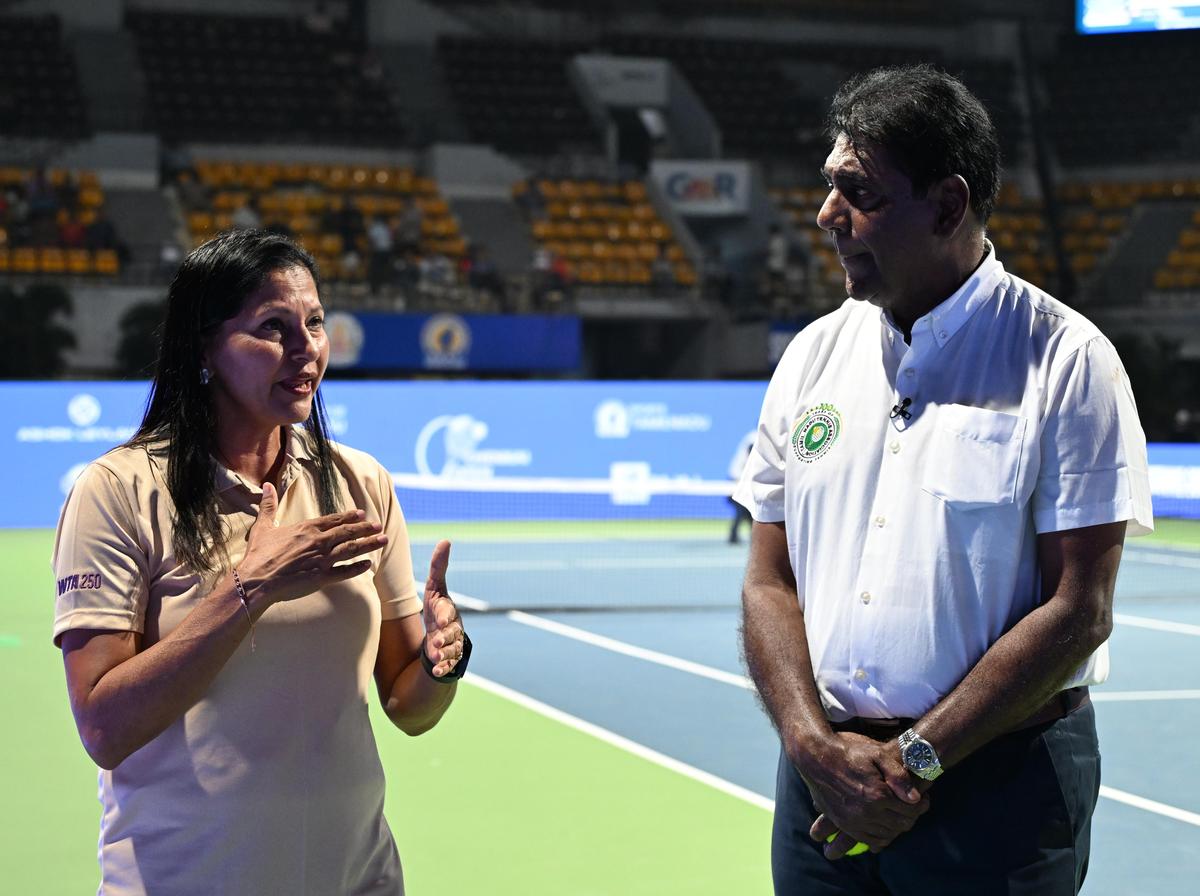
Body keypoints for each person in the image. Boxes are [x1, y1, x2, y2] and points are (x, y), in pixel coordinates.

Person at [734, 65, 1152, 896]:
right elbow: (768, 581)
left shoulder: (1065, 361)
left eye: (860, 192)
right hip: (823, 785)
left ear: (949, 205)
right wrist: (815, 748)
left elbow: (1079, 610)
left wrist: (913, 759)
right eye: (828, 187)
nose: (827, 216)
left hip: (999, 791)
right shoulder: (811, 358)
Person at [53, 229, 470, 895]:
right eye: (273, 327)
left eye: (314, 322)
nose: (306, 349)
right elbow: (104, 726)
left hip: (355, 877)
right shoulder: (120, 490)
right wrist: (251, 587)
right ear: (206, 347)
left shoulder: (360, 484)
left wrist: (443, 663)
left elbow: (409, 707)